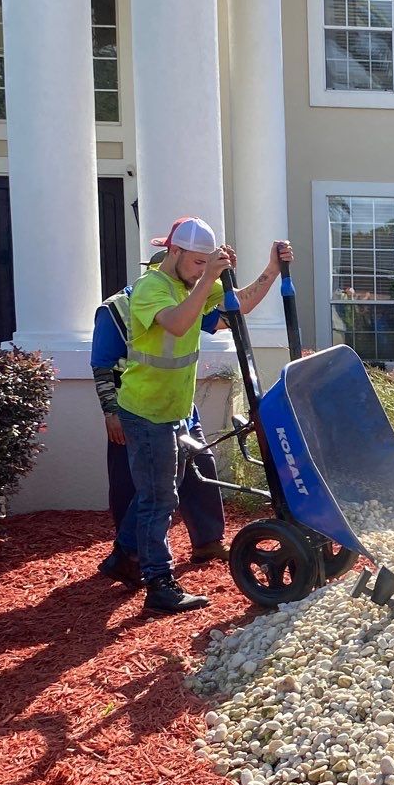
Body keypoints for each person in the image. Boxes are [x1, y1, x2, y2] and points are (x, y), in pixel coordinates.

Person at [116, 217, 291, 615]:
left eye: (203, 264)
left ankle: (121, 555)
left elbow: (236, 306)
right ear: (173, 252)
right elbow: (178, 325)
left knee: (159, 490)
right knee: (160, 499)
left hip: (177, 408)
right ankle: (159, 585)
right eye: (195, 263)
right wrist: (206, 276)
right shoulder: (150, 289)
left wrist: (271, 271)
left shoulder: (190, 283)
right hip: (145, 411)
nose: (200, 271)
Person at [94, 256, 228, 589]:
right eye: (193, 273)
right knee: (141, 488)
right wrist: (111, 413)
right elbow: (102, 365)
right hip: (138, 411)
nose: (195, 279)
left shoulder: (186, 298)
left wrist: (264, 276)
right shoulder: (115, 310)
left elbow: (219, 319)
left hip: (178, 406)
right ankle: (134, 559)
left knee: (200, 469)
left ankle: (206, 540)